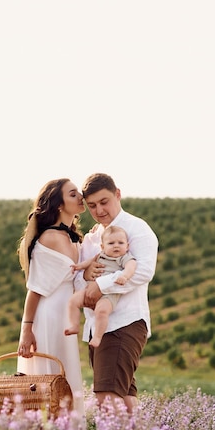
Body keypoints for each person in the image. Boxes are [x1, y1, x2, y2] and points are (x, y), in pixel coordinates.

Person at [74, 173, 158, 414]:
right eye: (91, 205)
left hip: (123, 323)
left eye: (104, 202)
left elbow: (143, 272)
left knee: (106, 399)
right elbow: (80, 279)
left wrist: (101, 285)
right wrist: (87, 278)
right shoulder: (91, 239)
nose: (99, 210)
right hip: (98, 326)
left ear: (118, 194)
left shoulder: (137, 228)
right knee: (124, 399)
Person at [17, 178, 86, 416]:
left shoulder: (73, 238)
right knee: (47, 377)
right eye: (73, 194)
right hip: (47, 316)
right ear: (59, 204)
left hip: (65, 316)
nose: (81, 197)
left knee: (64, 374)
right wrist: (27, 329)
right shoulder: (50, 238)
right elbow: (34, 289)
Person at [64, 225, 137, 348]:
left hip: (108, 295)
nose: (116, 246)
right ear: (103, 247)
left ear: (127, 246)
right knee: (73, 301)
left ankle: (98, 337)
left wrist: (125, 276)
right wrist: (80, 266)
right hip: (90, 289)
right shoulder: (100, 255)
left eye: (121, 243)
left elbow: (131, 266)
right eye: (111, 243)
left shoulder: (123, 258)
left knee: (102, 311)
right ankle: (74, 325)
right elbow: (89, 262)